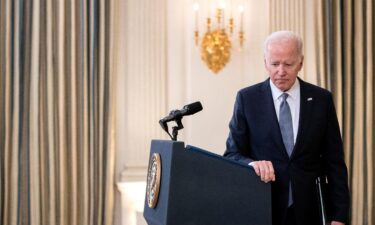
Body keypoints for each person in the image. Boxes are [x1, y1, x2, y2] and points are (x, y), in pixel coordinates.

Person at [224, 31, 350, 225]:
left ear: (300, 62)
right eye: (274, 64)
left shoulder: (321, 99)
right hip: (263, 207)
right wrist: (252, 164)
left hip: (311, 210)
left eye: (288, 64)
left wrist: (339, 216)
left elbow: (335, 162)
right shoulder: (247, 99)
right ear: (265, 62)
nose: (281, 71)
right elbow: (232, 154)